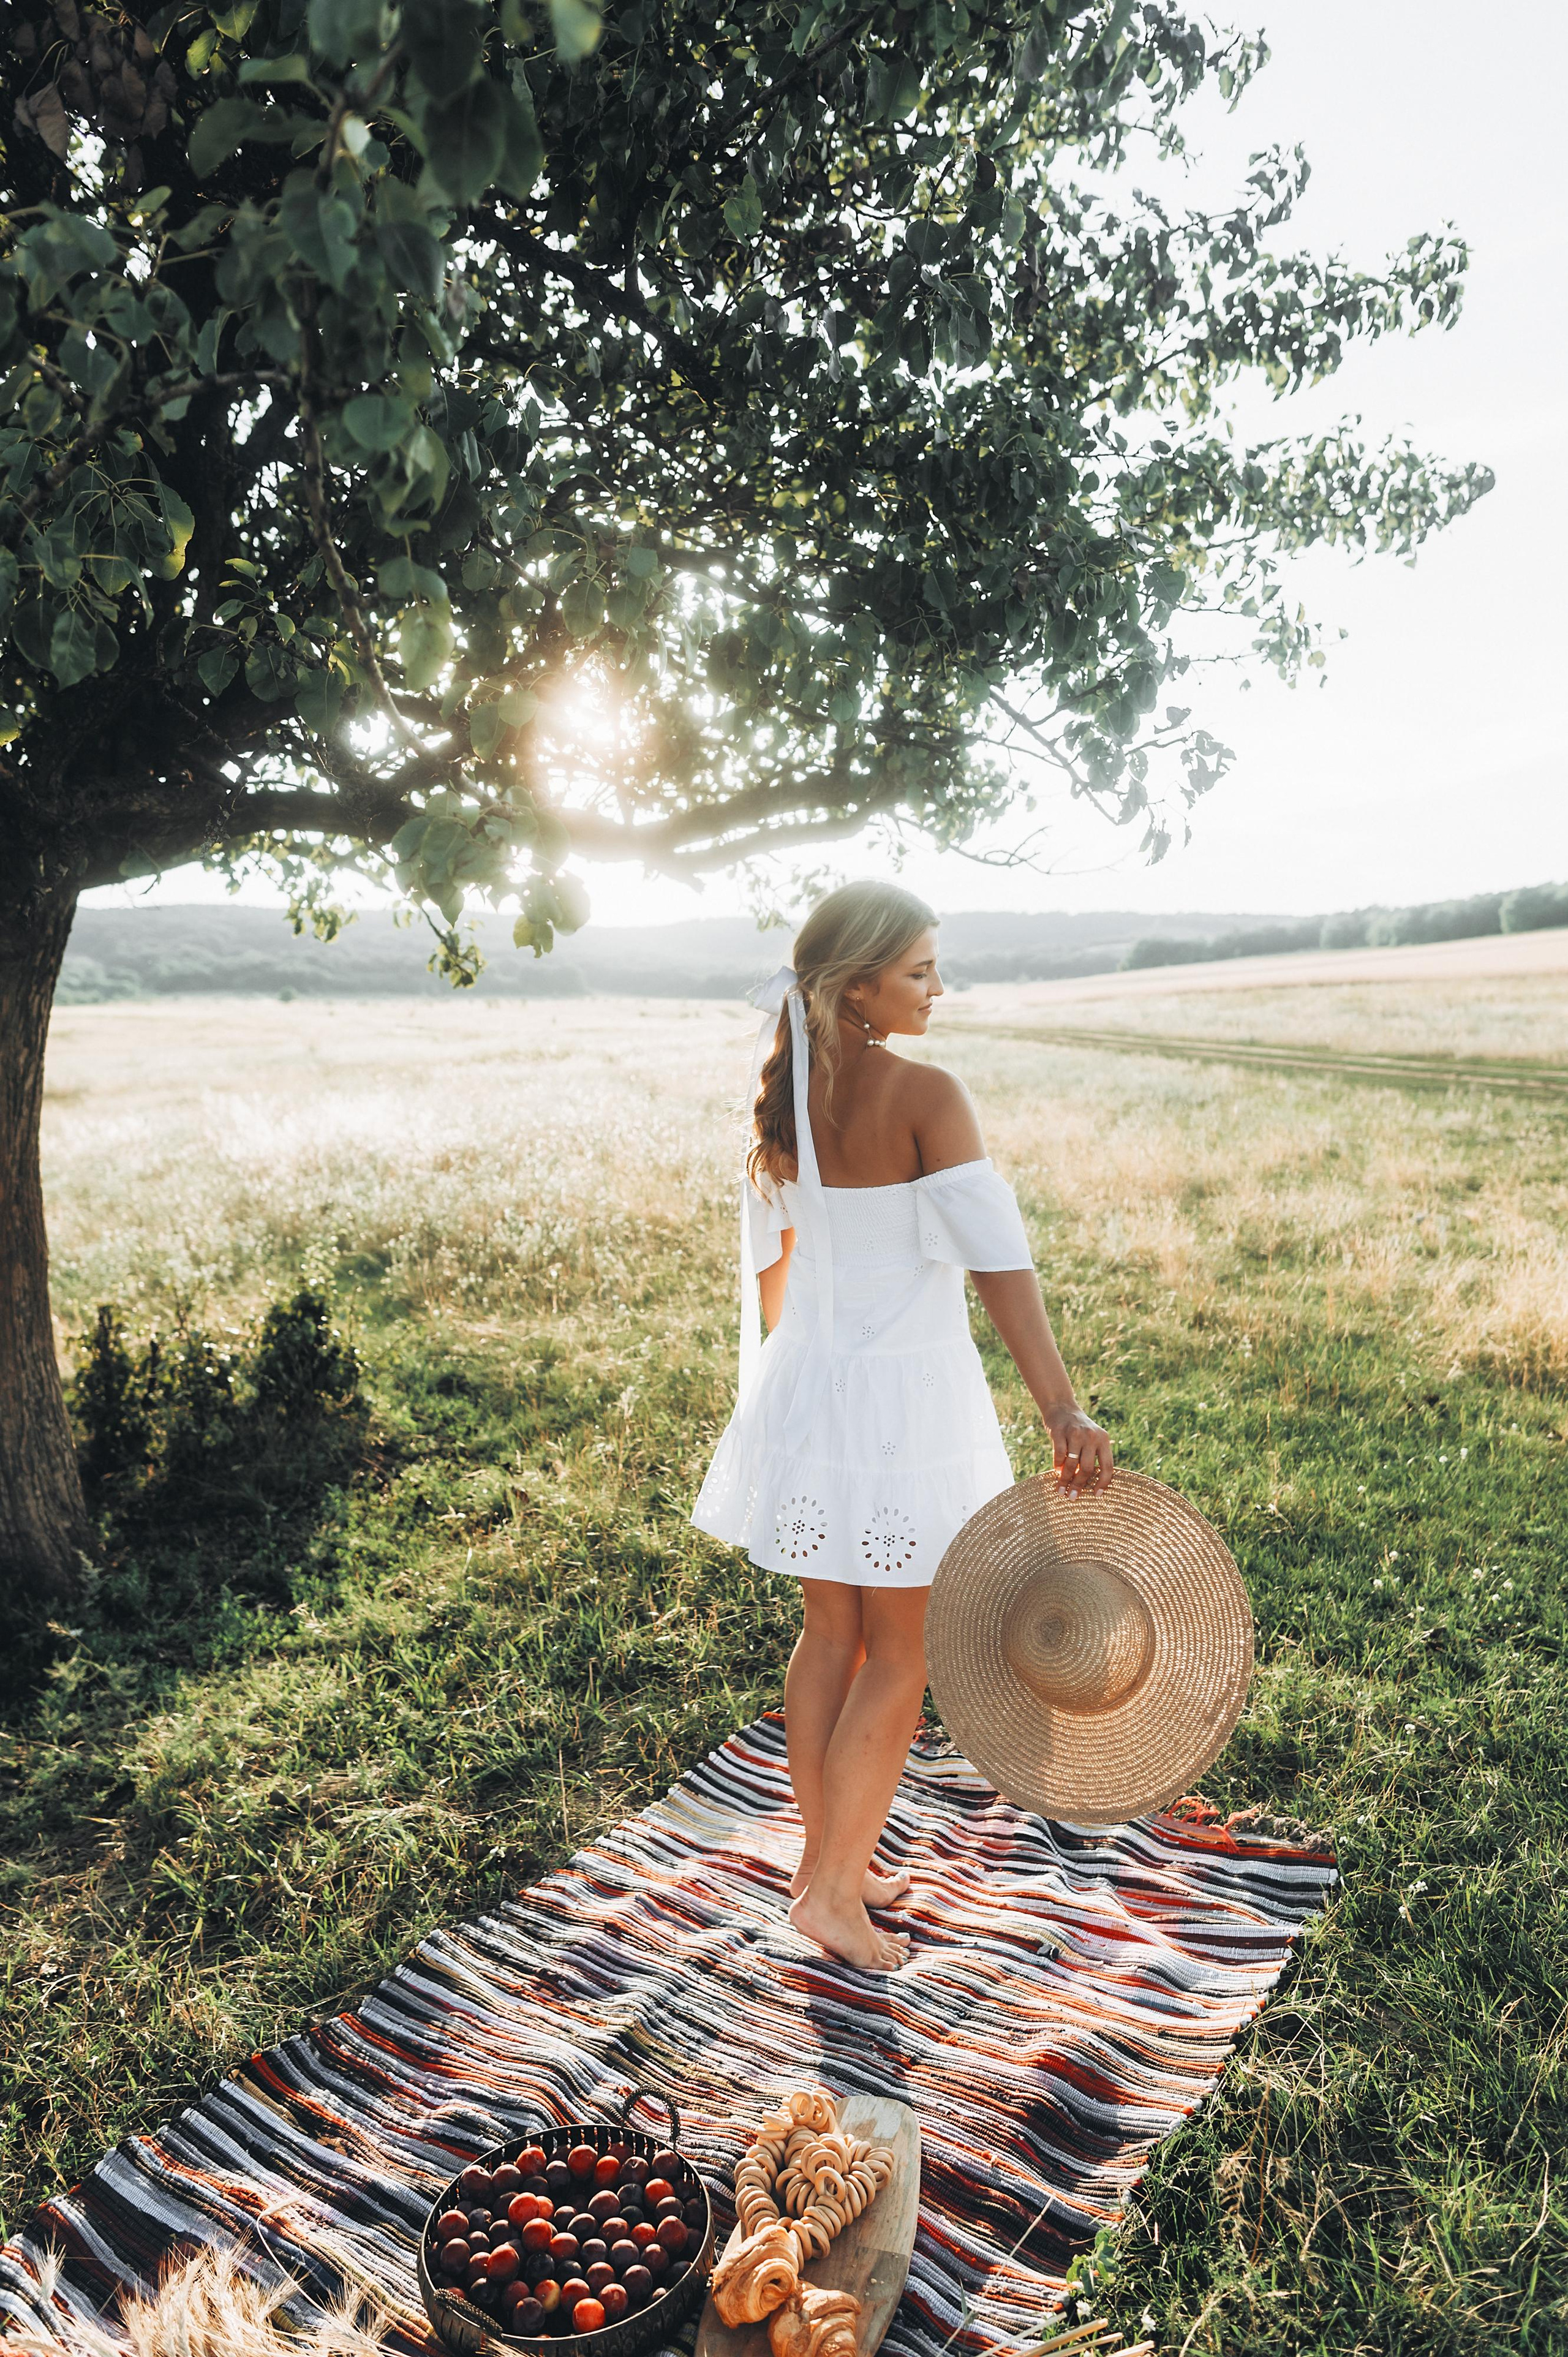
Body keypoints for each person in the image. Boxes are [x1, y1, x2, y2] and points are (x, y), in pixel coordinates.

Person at [692, 881, 1113, 1971]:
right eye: (921, 969)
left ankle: (823, 1857)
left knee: (831, 1634)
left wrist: (790, 1400)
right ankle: (833, 1892)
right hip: (903, 1405)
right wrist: (1059, 1403)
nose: (939, 987)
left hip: (811, 1390)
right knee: (903, 1652)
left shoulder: (787, 1093)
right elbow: (998, 1264)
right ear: (859, 985)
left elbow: (772, 1266)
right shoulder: (928, 1094)